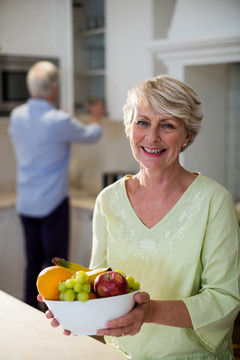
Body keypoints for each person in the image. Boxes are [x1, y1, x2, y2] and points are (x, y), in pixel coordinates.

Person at [39, 75, 240, 359]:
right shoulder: (108, 200)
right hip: (122, 354)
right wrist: (74, 312)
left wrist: (151, 312)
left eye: (167, 125)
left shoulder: (214, 201)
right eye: (142, 122)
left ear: (187, 136)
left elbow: (225, 300)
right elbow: (96, 284)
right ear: (129, 128)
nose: (152, 137)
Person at [9, 61, 103, 309]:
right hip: (52, 202)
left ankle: (30, 310)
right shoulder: (59, 120)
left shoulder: (17, 116)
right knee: (56, 266)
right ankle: (58, 314)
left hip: (26, 202)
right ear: (53, 89)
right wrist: (96, 117)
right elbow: (92, 135)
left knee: (33, 262)